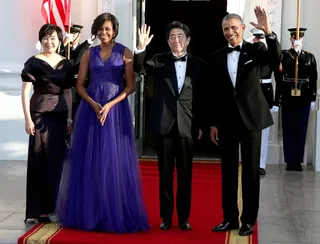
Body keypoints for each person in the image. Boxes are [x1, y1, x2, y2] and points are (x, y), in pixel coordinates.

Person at [56, 13, 150, 233]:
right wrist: (94, 104)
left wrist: (109, 105)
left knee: (113, 162)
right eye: (100, 29)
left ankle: (113, 212)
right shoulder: (90, 53)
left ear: (114, 30)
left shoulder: (125, 52)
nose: (104, 33)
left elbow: (131, 86)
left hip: (116, 112)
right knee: (92, 162)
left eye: (107, 29)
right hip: (91, 111)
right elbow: (79, 85)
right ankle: (91, 212)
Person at [209, 7, 281, 236]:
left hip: (251, 119)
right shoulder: (217, 56)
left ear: (241, 28)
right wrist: (213, 123)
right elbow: (215, 93)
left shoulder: (257, 49)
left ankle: (248, 220)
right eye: (225, 29)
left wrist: (269, 32)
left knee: (250, 172)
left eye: (233, 28)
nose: (229, 32)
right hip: (227, 121)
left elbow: (275, 57)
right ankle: (229, 218)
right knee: (228, 171)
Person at [134, 22, 206, 231]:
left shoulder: (199, 64)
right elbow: (139, 68)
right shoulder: (158, 60)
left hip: (187, 125)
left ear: (188, 39)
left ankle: (184, 217)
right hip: (164, 125)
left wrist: (201, 124)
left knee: (185, 175)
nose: (177, 40)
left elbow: (202, 98)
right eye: (172, 37)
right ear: (167, 41)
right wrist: (141, 48)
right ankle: (165, 217)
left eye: (181, 36)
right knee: (165, 175)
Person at [21, 24, 73, 223]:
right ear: (40, 40)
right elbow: (26, 92)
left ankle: (53, 207)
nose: (49, 42)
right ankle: (38, 209)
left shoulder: (65, 64)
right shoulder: (33, 62)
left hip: (59, 116)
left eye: (53, 38)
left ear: (60, 41)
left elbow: (67, 92)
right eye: (45, 38)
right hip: (39, 115)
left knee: (55, 161)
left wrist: (69, 117)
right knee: (38, 160)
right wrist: (27, 118)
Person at [274, 27, 318, 171]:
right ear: (291, 39)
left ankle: (298, 160)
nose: (297, 40)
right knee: (288, 129)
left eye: (299, 38)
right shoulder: (285, 55)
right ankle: (289, 160)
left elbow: (313, 78)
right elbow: (281, 72)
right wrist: (294, 52)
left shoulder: (310, 57)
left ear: (303, 39)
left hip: (303, 96)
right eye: (294, 38)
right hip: (288, 96)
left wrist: (312, 99)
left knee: (301, 129)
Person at [250, 28, 279, 176]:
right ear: (253, 39)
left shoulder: (270, 56)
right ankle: (249, 161)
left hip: (266, 94)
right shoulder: (248, 54)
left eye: (261, 38)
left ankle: (261, 164)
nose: (258, 40)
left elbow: (279, 80)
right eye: (256, 38)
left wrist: (276, 102)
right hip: (251, 95)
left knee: (264, 133)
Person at [61, 24, 94, 119]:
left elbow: (76, 60)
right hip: (64, 92)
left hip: (78, 92)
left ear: (79, 35)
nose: (70, 36)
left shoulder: (86, 50)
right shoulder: (63, 50)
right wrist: (64, 43)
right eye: (68, 33)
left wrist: (88, 42)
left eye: (73, 34)